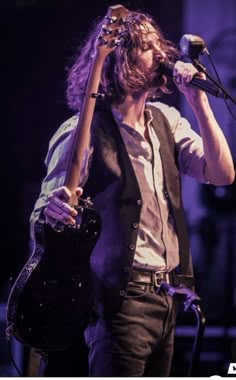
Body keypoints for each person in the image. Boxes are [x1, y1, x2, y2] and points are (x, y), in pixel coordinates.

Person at [30, 7, 235, 377]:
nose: (161, 54)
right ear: (121, 59)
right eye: (146, 46)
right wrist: (52, 210)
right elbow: (45, 210)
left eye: (161, 45)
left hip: (169, 299)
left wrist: (199, 102)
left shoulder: (168, 122)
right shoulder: (82, 130)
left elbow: (222, 174)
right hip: (119, 302)